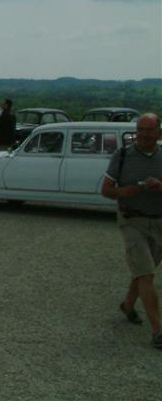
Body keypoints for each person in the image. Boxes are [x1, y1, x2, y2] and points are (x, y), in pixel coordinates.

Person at [101, 113, 162, 349]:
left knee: (143, 268)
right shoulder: (123, 155)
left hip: (158, 222)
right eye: (140, 130)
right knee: (146, 273)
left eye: (149, 130)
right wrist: (122, 192)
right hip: (131, 220)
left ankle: (128, 304)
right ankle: (158, 330)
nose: (144, 135)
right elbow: (106, 189)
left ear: (159, 132)